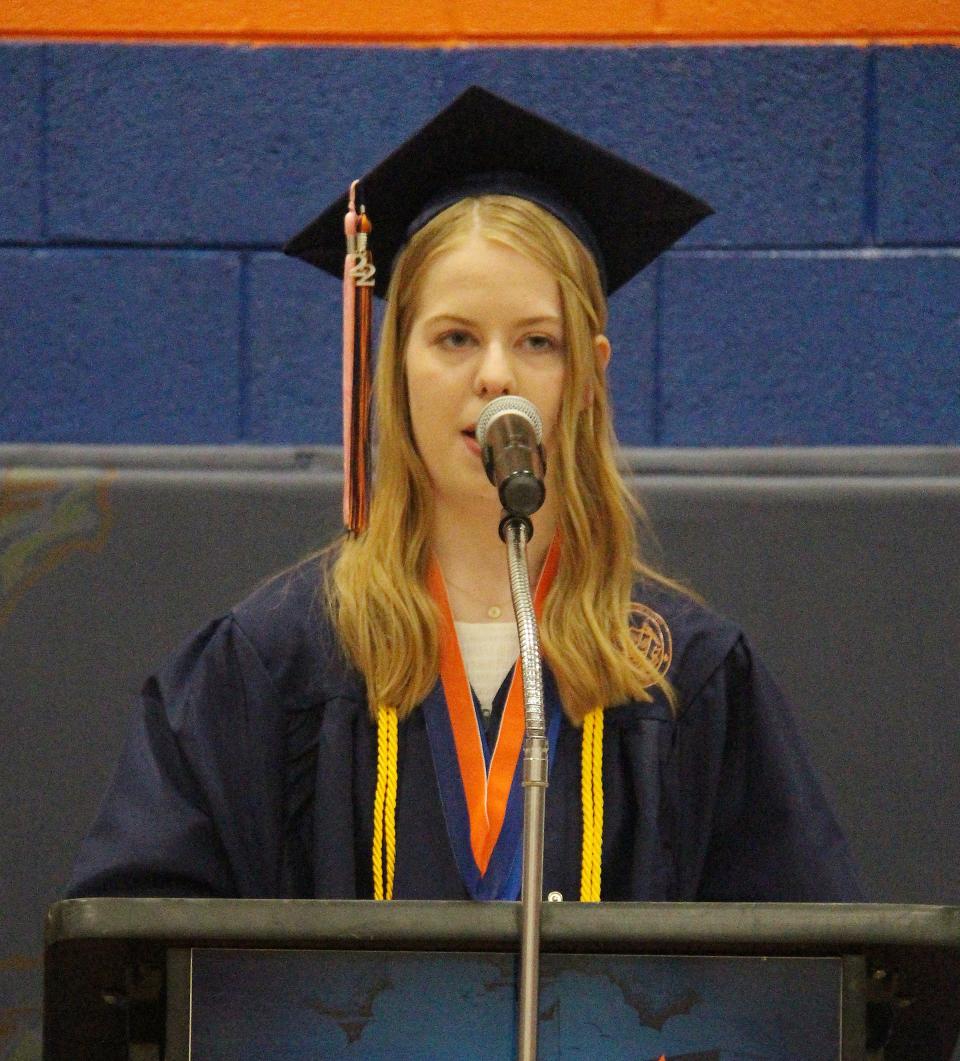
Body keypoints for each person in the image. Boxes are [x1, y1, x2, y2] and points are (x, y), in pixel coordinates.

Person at [68, 87, 862, 904]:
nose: (495, 375)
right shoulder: (278, 661)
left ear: (588, 377)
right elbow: (140, 957)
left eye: (537, 342)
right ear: (395, 367)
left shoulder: (682, 677)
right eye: (454, 337)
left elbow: (806, 984)